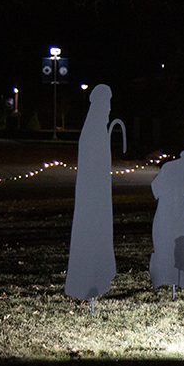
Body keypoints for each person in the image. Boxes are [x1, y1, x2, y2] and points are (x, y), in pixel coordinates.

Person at [65, 84, 124, 301]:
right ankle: (89, 279)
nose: (109, 109)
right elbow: (92, 166)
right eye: (107, 103)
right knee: (91, 236)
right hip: (93, 199)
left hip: (96, 196)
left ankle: (97, 278)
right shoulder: (94, 130)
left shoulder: (96, 129)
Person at [149, 148, 184, 288]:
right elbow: (156, 189)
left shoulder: (178, 182)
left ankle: (170, 280)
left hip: (177, 234)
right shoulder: (171, 173)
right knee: (169, 259)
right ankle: (165, 281)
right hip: (169, 231)